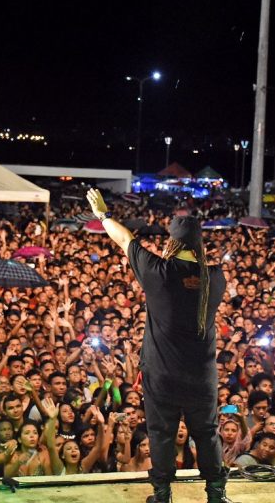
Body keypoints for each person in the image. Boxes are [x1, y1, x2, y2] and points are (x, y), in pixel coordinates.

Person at [86, 188, 230, 503]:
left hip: (163, 376)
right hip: (202, 377)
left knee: (163, 434)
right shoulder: (215, 278)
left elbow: (124, 240)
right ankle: (216, 495)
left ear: (171, 242)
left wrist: (104, 215)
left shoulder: (159, 273)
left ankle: (162, 495)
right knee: (207, 434)